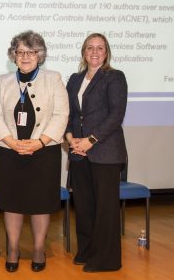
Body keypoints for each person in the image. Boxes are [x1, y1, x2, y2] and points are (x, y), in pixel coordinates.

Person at [0, 30, 69, 272]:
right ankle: (12, 248)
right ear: (13, 56)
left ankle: (38, 248)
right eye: (20, 52)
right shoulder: (3, 81)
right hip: (9, 152)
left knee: (40, 203)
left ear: (40, 55)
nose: (25, 56)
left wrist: (40, 142)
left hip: (44, 152)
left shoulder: (53, 78)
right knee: (12, 202)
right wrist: (11, 142)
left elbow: (61, 114)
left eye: (31, 52)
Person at [65, 32, 128, 272]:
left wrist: (90, 140)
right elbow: (70, 114)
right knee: (84, 205)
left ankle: (106, 260)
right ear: (83, 51)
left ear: (106, 52)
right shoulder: (74, 79)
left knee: (105, 208)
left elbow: (116, 115)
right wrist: (71, 139)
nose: (94, 51)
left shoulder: (114, 77)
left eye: (99, 48)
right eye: (90, 47)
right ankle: (87, 251)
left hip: (105, 152)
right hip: (78, 151)